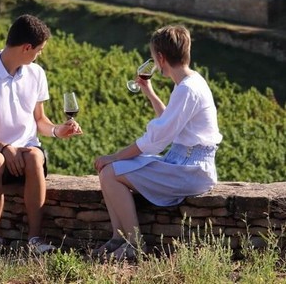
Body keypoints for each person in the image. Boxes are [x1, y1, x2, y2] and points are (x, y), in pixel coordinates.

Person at [93, 25, 222, 260]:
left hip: (191, 170)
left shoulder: (187, 90)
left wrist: (113, 156)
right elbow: (169, 124)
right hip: (184, 162)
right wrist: (150, 94)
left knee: (111, 171)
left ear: (160, 58)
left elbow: (157, 140)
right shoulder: (189, 82)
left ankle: (134, 244)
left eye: (153, 57)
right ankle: (117, 237)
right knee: (109, 172)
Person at [0, 14, 82, 259]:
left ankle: (34, 239)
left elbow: (40, 121)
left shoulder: (36, 74)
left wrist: (58, 131)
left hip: (27, 152)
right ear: (27, 47)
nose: (39, 55)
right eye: (38, 50)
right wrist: (4, 147)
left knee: (34, 157)